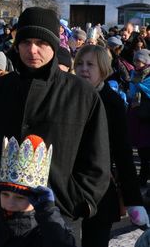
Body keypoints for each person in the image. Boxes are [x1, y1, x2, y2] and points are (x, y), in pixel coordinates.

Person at [0, 7, 110, 245]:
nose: (32, 50)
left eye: (41, 42)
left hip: (58, 219)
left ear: (54, 45)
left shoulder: (81, 95)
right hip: (0, 218)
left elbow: (97, 162)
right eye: (26, 42)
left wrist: (76, 202)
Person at [74, 45, 148, 246]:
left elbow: (123, 152)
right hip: (69, 189)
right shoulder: (68, 96)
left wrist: (133, 199)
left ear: (104, 69)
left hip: (101, 190)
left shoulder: (112, 102)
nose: (84, 69)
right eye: (79, 63)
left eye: (91, 64)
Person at [0, 135, 76, 247]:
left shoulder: (45, 231)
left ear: (36, 198)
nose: (10, 204)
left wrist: (48, 211)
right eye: (5, 194)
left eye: (20, 197)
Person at [126, 49, 150, 187]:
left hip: (147, 117)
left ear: (146, 62)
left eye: (139, 61)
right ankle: (143, 175)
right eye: (135, 61)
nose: (136, 64)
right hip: (136, 115)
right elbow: (131, 93)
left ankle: (144, 175)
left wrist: (139, 85)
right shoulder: (134, 74)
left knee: (146, 149)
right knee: (140, 148)